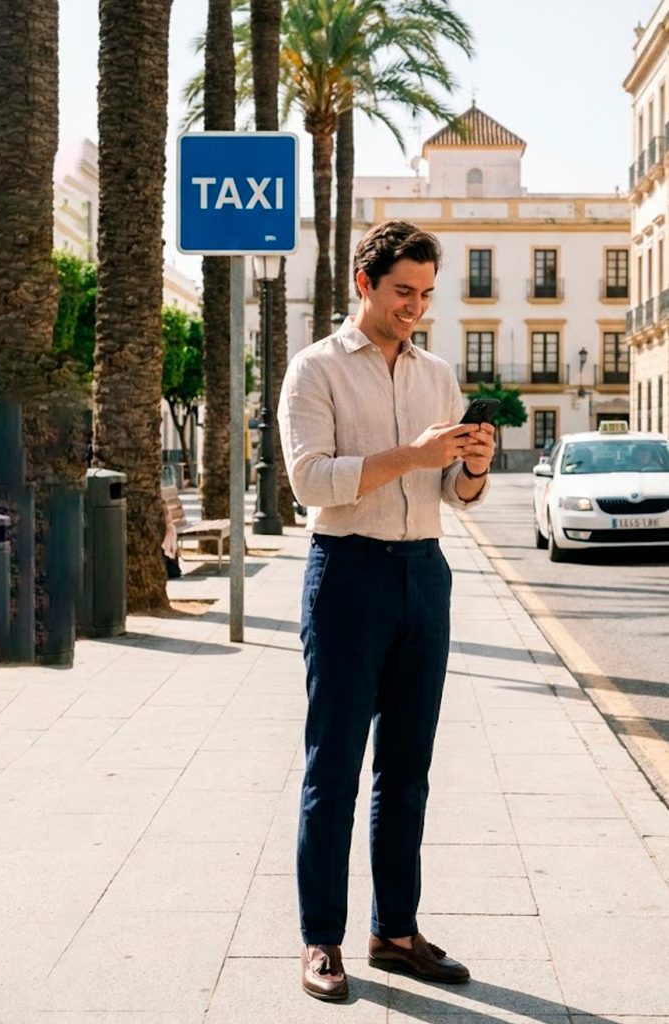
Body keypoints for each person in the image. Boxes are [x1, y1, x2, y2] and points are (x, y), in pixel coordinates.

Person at [278, 220, 496, 1002]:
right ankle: (321, 941)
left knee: (408, 771)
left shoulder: (437, 374)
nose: (415, 306)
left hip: (423, 575)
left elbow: (454, 497)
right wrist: (414, 453)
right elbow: (310, 481)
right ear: (364, 284)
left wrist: (470, 467)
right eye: (403, 291)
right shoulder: (314, 371)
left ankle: (395, 932)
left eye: (426, 294)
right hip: (346, 576)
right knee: (332, 769)